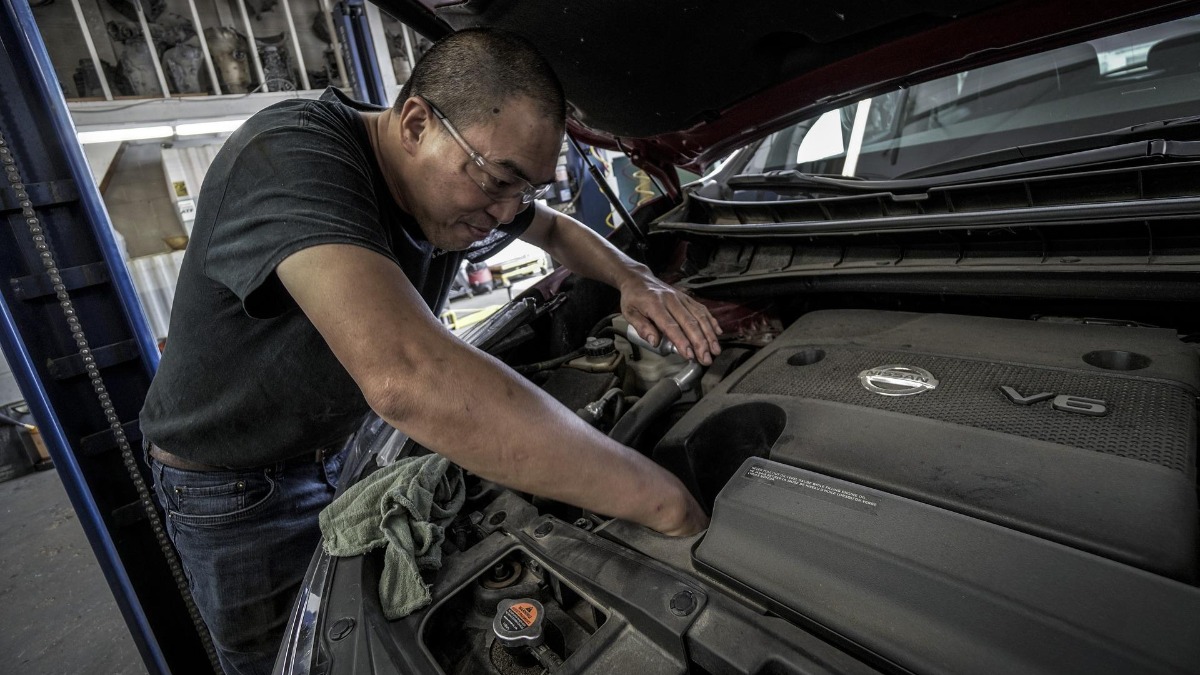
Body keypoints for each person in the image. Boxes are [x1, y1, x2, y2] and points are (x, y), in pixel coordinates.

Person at [139, 28, 717, 675]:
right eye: (500, 182)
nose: (504, 214)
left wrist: (634, 278)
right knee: (291, 663)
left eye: (523, 190)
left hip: (347, 448)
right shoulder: (291, 158)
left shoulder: (451, 177)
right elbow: (406, 376)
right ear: (416, 123)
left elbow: (552, 228)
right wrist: (657, 500)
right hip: (239, 488)